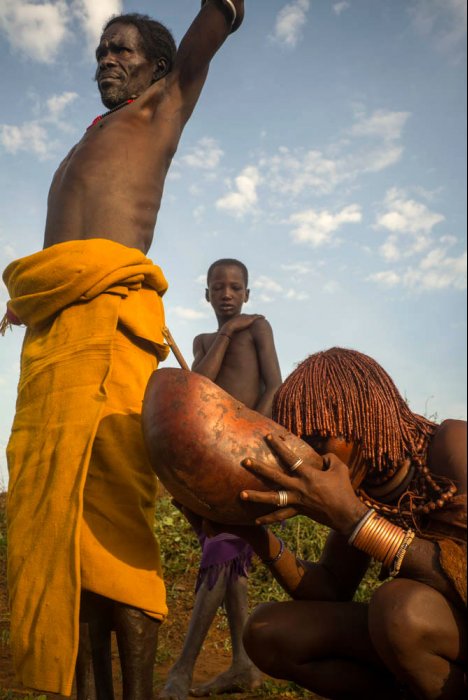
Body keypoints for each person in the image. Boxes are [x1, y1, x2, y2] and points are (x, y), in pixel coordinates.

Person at [1, 3, 246, 698]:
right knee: (61, 530)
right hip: (53, 343)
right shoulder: (83, 144)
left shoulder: (160, 109)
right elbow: (65, 250)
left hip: (112, 332)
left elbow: (213, 27)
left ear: (159, 69)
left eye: (123, 50)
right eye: (102, 50)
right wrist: (31, 298)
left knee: (111, 530)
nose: (106, 59)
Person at [207, 348, 466, 700]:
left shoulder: (453, 444)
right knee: (270, 632)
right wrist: (252, 533)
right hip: (424, 633)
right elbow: (330, 587)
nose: (313, 458)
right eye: (303, 444)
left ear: (367, 421)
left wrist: (353, 518)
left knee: (400, 608)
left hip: (435, 626)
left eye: (320, 439)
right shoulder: (362, 488)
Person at [159, 258, 282, 699]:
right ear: (207, 294)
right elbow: (198, 387)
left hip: (250, 457)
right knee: (231, 562)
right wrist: (226, 334)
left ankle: (181, 670)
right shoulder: (206, 339)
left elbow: (275, 385)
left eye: (235, 287)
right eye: (218, 287)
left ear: (247, 293)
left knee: (222, 548)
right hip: (212, 461)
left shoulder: (259, 328)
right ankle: (244, 667)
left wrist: (251, 437)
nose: (227, 294)